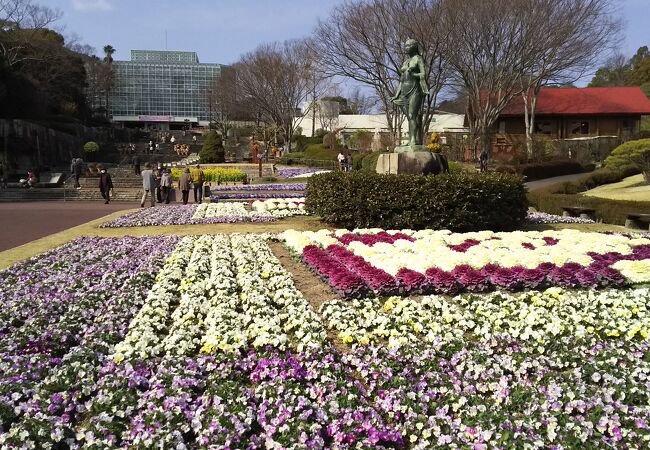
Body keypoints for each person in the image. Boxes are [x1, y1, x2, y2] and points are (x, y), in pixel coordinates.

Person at [392, 38, 428, 148]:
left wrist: (414, 74)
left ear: (414, 46)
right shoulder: (406, 62)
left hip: (415, 89)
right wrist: (396, 95)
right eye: (405, 46)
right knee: (409, 117)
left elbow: (423, 74)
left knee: (412, 115)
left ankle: (413, 140)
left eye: (408, 46)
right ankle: (413, 139)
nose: (406, 48)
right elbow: (401, 81)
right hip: (404, 91)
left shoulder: (418, 59)